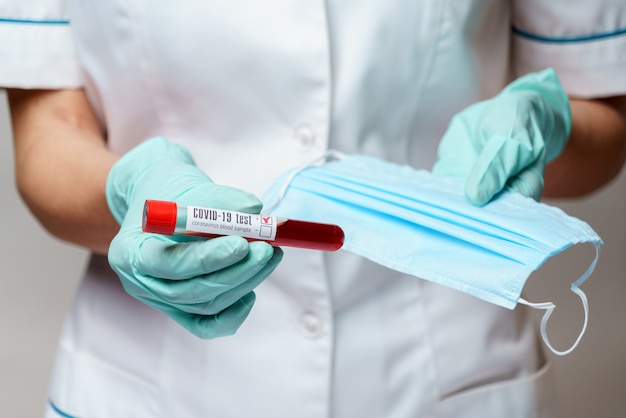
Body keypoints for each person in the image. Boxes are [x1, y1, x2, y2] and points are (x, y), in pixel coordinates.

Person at [1, 1, 625, 417]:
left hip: (445, 373)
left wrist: (546, 125)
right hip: (155, 381)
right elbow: (48, 131)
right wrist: (128, 192)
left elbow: (600, 109)